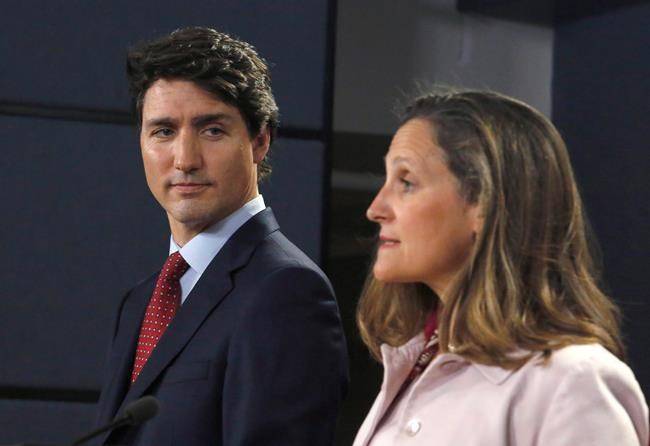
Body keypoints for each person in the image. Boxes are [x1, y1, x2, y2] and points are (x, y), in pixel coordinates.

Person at [94, 27, 348, 446]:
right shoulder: (140, 301)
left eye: (211, 130)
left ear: (259, 140)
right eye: (163, 131)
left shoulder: (286, 291)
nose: (185, 160)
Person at [353, 89, 649, 445]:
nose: (376, 208)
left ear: (484, 202)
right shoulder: (414, 364)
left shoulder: (573, 381)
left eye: (406, 182)